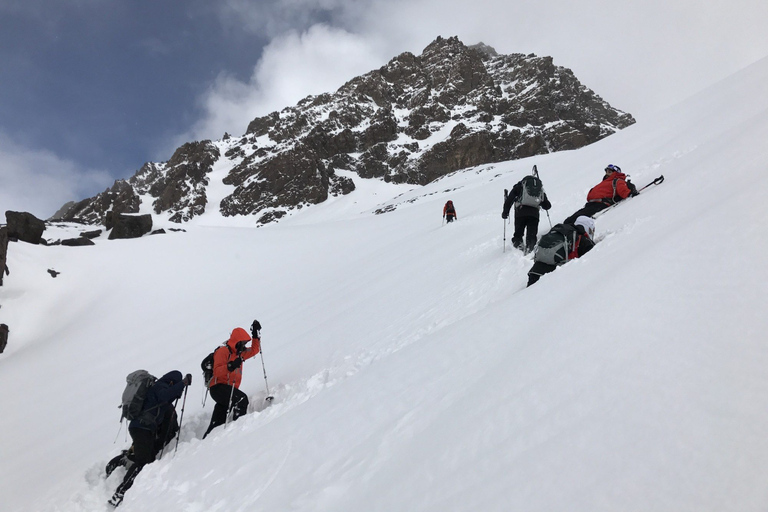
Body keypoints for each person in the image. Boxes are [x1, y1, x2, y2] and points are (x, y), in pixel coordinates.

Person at [108, 370, 191, 507]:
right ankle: (120, 493)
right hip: (142, 428)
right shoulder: (160, 386)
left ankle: (125, 459)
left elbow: (167, 399)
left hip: (142, 428)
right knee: (143, 461)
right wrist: (182, 383)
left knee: (147, 456)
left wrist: (180, 388)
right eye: (174, 383)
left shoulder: (158, 388)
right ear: (171, 381)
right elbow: (166, 395)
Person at [202, 323, 261, 439]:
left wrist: (255, 335)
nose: (244, 346)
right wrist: (230, 366)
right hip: (218, 387)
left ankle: (207, 440)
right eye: (242, 343)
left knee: (218, 420)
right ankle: (239, 430)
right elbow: (217, 371)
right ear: (236, 342)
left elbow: (254, 350)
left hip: (228, 389)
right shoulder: (223, 351)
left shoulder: (240, 354)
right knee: (241, 400)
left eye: (245, 343)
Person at [527, 216, 596, 287]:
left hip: (535, 271)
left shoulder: (562, 231)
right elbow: (592, 264)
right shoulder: (584, 241)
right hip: (555, 275)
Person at [563, 164, 638, 224]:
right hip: (591, 204)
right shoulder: (605, 182)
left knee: (579, 218)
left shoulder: (617, 181)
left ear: (616, 173)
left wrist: (630, 192)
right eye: (606, 171)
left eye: (609, 171)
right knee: (572, 218)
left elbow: (624, 192)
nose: (607, 173)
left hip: (601, 204)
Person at [502, 174, 552, 253]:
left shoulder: (519, 186)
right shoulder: (539, 190)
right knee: (531, 235)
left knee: (518, 234)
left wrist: (505, 212)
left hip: (521, 213)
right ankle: (530, 249)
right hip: (534, 214)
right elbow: (547, 205)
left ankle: (518, 248)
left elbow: (509, 200)